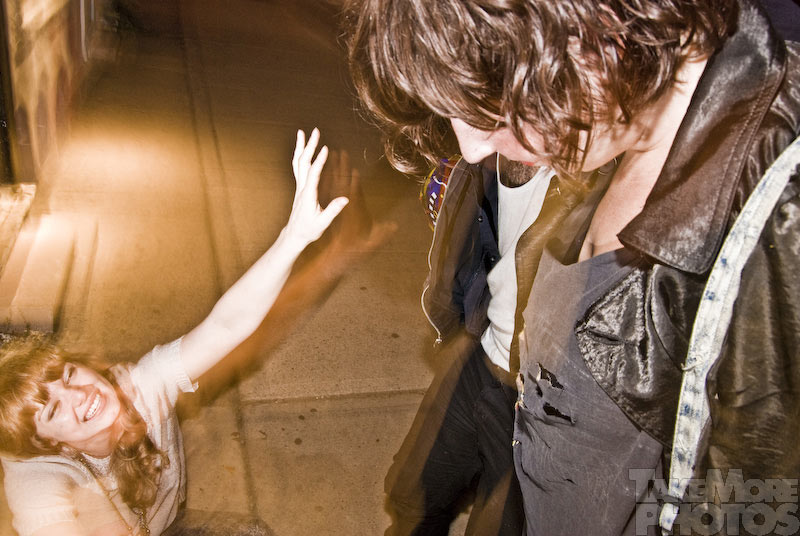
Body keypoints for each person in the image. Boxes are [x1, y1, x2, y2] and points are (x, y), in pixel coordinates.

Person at [345, 0, 800, 535]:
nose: (470, 148)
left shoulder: (781, 218)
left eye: (490, 103)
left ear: (596, 26)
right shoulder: (621, 123)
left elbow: (755, 506)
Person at [0, 128, 349, 536]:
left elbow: (226, 325)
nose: (79, 395)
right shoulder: (37, 478)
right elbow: (43, 516)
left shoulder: (144, 386)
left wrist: (293, 239)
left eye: (69, 375)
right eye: (53, 410)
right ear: (51, 444)